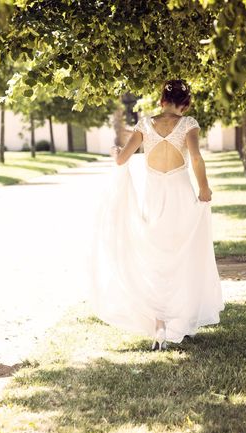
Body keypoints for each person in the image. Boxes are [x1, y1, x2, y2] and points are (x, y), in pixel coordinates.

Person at [90, 79, 224, 350]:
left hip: (153, 198)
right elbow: (196, 158)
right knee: (181, 254)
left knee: (155, 256)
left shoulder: (144, 125)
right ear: (185, 105)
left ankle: (160, 325)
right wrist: (205, 189)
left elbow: (121, 159)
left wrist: (116, 152)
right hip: (180, 195)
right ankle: (179, 320)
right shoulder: (189, 124)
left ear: (162, 100)